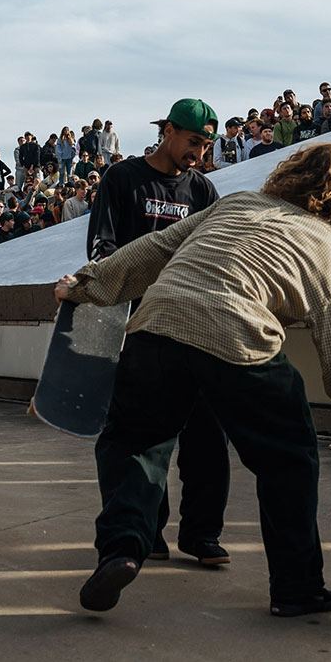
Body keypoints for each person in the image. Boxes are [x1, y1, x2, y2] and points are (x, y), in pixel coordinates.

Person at [56, 143, 331, 617]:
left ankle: (123, 548)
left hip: (159, 323)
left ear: (288, 176)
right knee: (288, 459)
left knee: (133, 440)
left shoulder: (235, 203)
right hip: (239, 335)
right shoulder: (330, 250)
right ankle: (297, 588)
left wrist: (84, 286)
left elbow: (155, 248)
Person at [85, 98, 230, 567]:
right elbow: (103, 246)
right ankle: (149, 531)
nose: (199, 153)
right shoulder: (123, 178)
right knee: (148, 437)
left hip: (194, 326)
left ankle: (202, 534)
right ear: (167, 131)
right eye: (193, 142)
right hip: (140, 328)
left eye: (206, 145)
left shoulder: (204, 191)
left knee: (207, 435)